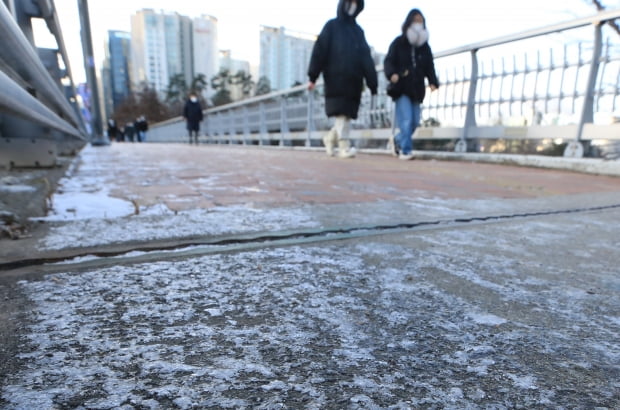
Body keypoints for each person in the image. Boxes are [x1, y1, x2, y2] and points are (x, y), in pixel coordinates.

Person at [307, 0, 378, 158]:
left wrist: (373, 83)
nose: (352, 5)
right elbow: (319, 51)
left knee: (346, 115)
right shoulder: (331, 27)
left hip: (354, 81)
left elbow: (366, 58)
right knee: (342, 114)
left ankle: (330, 139)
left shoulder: (358, 32)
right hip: (335, 79)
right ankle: (343, 147)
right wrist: (313, 76)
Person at [383, 8, 439, 160]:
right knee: (406, 120)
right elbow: (388, 61)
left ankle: (396, 141)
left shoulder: (425, 47)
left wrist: (433, 82)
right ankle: (405, 151)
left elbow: (430, 66)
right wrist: (392, 74)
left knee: (414, 122)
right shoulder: (399, 42)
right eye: (415, 21)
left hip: (417, 89)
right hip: (401, 87)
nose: (418, 24)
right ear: (409, 22)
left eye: (420, 21)